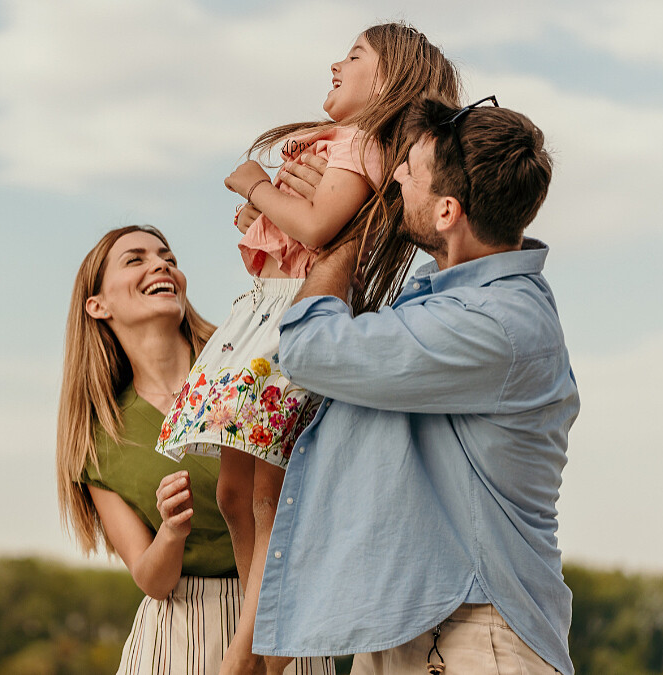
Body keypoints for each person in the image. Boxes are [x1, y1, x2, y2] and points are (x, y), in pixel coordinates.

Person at [154, 23, 459, 674]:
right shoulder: (336, 146)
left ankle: (248, 657)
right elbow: (303, 234)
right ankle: (258, 635)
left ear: (389, 80)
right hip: (262, 315)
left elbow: (321, 228)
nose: (335, 63)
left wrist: (255, 187)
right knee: (236, 495)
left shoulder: (361, 143)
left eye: (354, 56)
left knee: (268, 499)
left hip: (291, 321)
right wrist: (267, 214)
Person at [252, 97, 580, 675]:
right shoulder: (448, 301)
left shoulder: (492, 324)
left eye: (411, 170)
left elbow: (310, 348)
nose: (394, 175)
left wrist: (347, 234)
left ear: (448, 210)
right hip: (415, 625)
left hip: (476, 635)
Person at [56, 225, 335, 674]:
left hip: (278, 614)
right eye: (136, 259)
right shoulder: (96, 441)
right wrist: (170, 531)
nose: (160, 264)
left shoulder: (248, 363)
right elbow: (150, 579)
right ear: (97, 305)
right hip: (178, 635)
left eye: (167, 256)